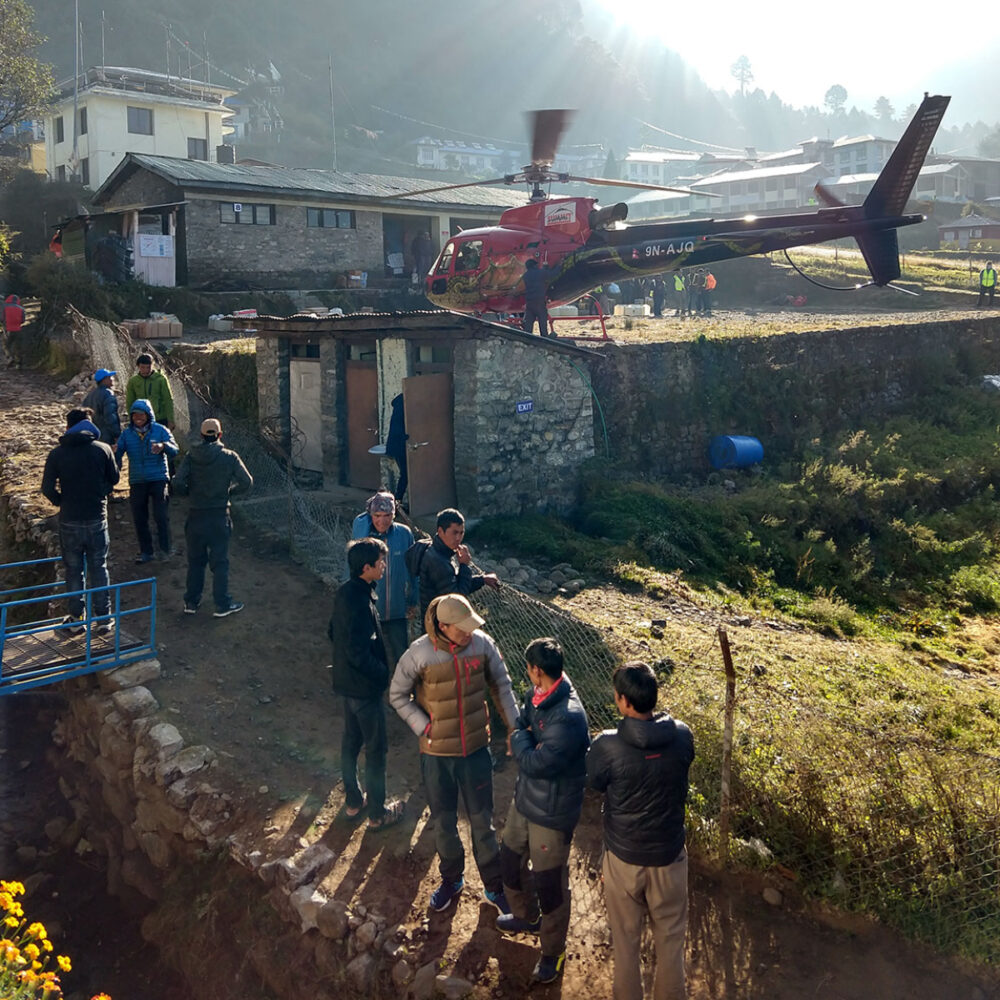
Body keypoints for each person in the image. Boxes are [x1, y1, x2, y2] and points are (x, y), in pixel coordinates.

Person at [390, 593, 519, 913]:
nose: (468, 632)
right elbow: (397, 694)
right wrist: (423, 726)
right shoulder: (419, 653)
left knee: (483, 822)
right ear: (443, 626)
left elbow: (502, 686)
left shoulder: (483, 645)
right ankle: (451, 879)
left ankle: (494, 886)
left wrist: (514, 728)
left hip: (475, 751)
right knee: (444, 822)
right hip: (436, 755)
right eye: (461, 628)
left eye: (470, 625)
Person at [587, 661, 695, 1000]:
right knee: (671, 942)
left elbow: (594, 782)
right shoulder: (682, 736)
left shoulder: (606, 746)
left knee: (626, 942)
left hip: (624, 858)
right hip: (669, 857)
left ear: (623, 701)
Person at [496, 637, 591, 986]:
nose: (527, 673)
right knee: (510, 858)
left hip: (552, 811)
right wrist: (524, 740)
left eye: (528, 668)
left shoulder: (568, 717)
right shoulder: (536, 696)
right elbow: (523, 728)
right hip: (526, 799)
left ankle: (552, 951)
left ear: (536, 670)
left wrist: (520, 741)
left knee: (550, 884)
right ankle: (526, 916)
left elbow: (534, 761)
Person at [328, 538, 405, 830]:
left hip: (346, 684)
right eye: (381, 562)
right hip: (364, 689)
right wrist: (382, 674)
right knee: (375, 750)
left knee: (350, 742)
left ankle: (353, 802)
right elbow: (358, 651)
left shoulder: (346, 593)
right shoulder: (360, 602)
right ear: (366, 568)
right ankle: (377, 813)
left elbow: (333, 632)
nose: (384, 566)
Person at [41, 408, 120, 636]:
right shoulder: (102, 449)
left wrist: (62, 501)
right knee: (99, 567)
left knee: (74, 570)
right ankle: (104, 619)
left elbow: (47, 488)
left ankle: (76, 619)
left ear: (68, 427)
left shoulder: (57, 454)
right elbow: (114, 479)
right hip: (96, 516)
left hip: (69, 519)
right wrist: (100, 493)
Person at [172, 418, 253, 618]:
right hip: (219, 515)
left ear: (201, 436)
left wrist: (190, 493)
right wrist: (229, 492)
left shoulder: (191, 456)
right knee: (220, 562)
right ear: (220, 435)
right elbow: (247, 482)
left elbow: (178, 482)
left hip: (196, 515)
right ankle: (222, 604)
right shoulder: (229, 457)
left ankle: (191, 602)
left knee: (195, 561)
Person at [351, 490, 417, 666]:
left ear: (394, 515)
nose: (382, 521)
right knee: (370, 654)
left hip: (397, 609)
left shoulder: (404, 534)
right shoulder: (363, 536)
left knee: (401, 654)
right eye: (377, 515)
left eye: (387, 515)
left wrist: (413, 599)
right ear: (370, 515)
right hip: (370, 610)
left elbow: (412, 570)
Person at [405, 508, 499, 626]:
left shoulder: (437, 551)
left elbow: (453, 584)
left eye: (461, 533)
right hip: (440, 628)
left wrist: (482, 580)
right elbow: (457, 599)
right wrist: (464, 565)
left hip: (437, 623)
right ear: (440, 531)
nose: (458, 538)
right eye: (454, 533)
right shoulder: (437, 561)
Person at [115, 399, 178, 564]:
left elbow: (175, 450)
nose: (138, 418)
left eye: (141, 415)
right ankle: (146, 552)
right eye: (135, 415)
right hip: (137, 480)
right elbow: (118, 453)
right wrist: (114, 451)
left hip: (158, 478)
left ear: (148, 415)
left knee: (161, 516)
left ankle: (165, 549)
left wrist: (164, 446)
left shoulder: (160, 430)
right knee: (139, 518)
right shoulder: (127, 434)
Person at [125, 353, 174, 428]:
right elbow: (130, 401)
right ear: (138, 366)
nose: (145, 370)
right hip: (141, 419)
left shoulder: (160, 379)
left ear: (153, 365)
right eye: (142, 367)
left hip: (160, 418)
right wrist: (132, 419)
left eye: (148, 367)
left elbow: (168, 399)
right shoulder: (133, 381)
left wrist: (170, 419)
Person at [82, 368, 122, 449]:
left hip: (92, 435)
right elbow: (111, 416)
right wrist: (117, 434)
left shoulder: (90, 395)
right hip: (107, 436)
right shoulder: (108, 394)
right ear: (104, 380)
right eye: (110, 377)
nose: (112, 379)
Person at [385, 393, 409, 501]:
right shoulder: (403, 406)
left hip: (395, 445)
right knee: (405, 474)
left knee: (405, 474)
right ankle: (398, 499)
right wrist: (406, 437)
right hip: (399, 446)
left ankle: (398, 499)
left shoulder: (399, 404)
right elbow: (399, 429)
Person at [521, 258, 554, 337]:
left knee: (528, 327)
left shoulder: (525, 276)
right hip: (539, 302)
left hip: (529, 303)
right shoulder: (541, 272)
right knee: (542, 324)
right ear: (534, 265)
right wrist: (557, 266)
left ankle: (527, 340)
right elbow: (551, 274)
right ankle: (544, 338)